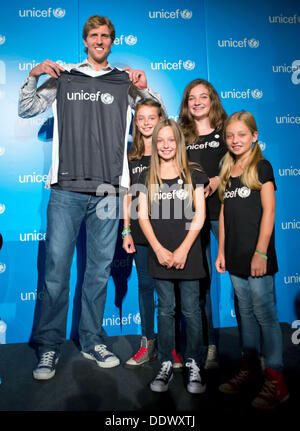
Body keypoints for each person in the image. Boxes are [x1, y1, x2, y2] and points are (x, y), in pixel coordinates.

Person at [18, 15, 166, 380]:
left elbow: (157, 118)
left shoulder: (123, 81)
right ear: (85, 41)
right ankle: (49, 347)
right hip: (65, 190)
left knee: (98, 272)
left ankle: (92, 339)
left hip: (108, 192)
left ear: (112, 42)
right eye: (93, 35)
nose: (99, 40)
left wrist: (146, 89)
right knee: (55, 275)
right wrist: (34, 75)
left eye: (105, 36)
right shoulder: (63, 77)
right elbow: (26, 109)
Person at [215, 111, 289, 410]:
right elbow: (223, 214)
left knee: (265, 316)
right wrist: (221, 251)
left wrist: (261, 252)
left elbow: (269, 212)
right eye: (230, 135)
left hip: (258, 257)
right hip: (233, 256)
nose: (235, 140)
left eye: (241, 135)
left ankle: (277, 382)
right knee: (244, 314)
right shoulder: (227, 169)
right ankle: (250, 370)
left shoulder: (262, 167)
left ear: (254, 136)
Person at [138, 119, 209, 393]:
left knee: (191, 310)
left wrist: (183, 249)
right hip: (160, 254)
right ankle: (166, 362)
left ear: (179, 143)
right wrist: (157, 248)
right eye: (160, 140)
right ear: (155, 144)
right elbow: (142, 216)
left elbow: (200, 214)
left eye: (171, 140)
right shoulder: (148, 176)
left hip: (188, 254)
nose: (166, 145)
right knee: (165, 310)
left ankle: (194, 364)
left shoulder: (193, 173)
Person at [178, 79, 227, 369]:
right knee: (201, 282)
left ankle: (251, 351)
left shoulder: (225, 131)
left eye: (203, 97)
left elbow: (240, 161)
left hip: (224, 212)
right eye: (191, 98)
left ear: (212, 100)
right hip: (192, 215)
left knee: (242, 280)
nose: (197, 102)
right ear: (186, 103)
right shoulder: (182, 134)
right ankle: (207, 345)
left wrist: (218, 180)